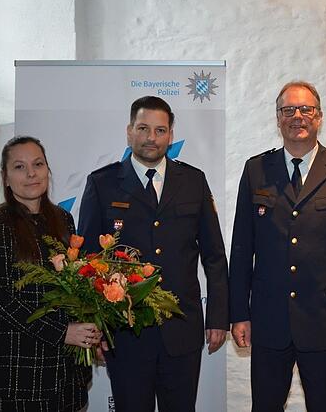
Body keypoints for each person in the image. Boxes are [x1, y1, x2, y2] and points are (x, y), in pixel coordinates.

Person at [78, 96, 229, 412]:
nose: (151, 138)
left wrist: (218, 317)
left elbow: (214, 255)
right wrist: (95, 326)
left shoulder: (194, 181)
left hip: (182, 330)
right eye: (143, 128)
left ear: (171, 135)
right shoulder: (102, 183)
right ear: (129, 130)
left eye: (160, 130)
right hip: (125, 333)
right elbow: (88, 262)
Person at [229, 81, 326, 411]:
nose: (297, 116)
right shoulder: (256, 169)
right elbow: (241, 249)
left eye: (306, 109)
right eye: (288, 110)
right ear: (278, 119)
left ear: (319, 117)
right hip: (268, 319)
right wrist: (239, 314)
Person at [0, 136, 99, 412]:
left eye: (38, 164)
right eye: (19, 167)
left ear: (47, 170)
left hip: (68, 371)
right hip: (23, 371)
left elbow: (75, 286)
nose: (31, 173)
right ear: (5, 177)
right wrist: (62, 332)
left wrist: (90, 326)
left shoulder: (63, 219)